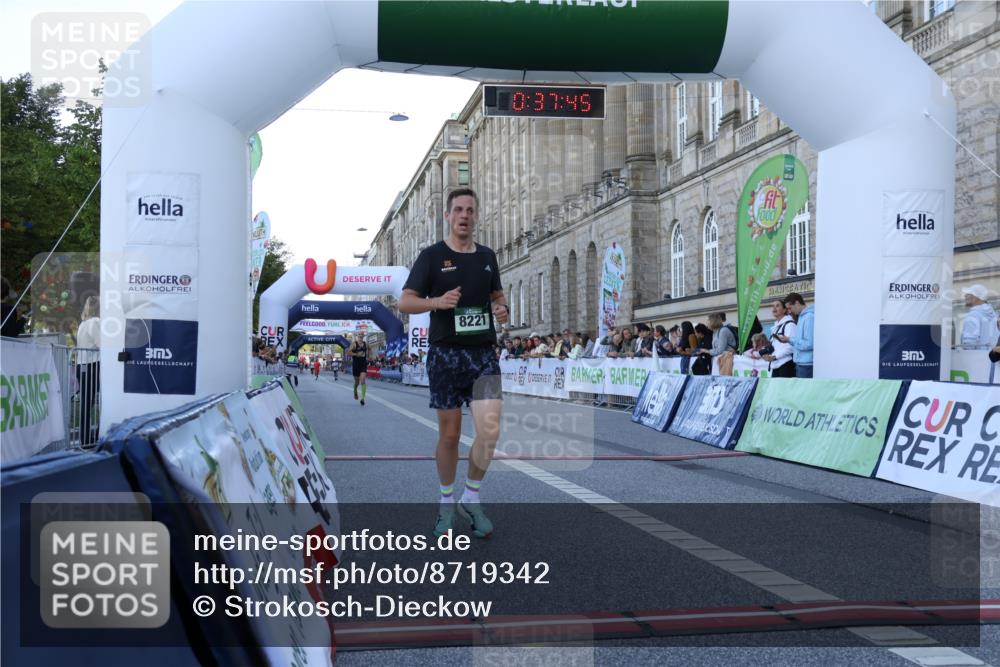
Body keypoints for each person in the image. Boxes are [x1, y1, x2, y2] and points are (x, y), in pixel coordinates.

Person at [398, 187, 508, 539]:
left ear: (476, 216)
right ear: (447, 216)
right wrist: (437, 302)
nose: (464, 216)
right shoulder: (431, 256)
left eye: (470, 210)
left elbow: (498, 295)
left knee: (489, 432)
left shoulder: (488, 256)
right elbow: (405, 302)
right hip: (445, 354)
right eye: (458, 210)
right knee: (450, 435)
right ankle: (446, 503)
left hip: (483, 355)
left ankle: (471, 498)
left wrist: (502, 308)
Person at [75, 295, 101, 446]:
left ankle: (86, 438)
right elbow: (101, 344)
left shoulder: (83, 323)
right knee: (94, 403)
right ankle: (91, 437)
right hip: (92, 365)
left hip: (83, 366)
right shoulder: (95, 322)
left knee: (87, 403)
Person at [777, 292, 814, 378]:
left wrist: (790, 339)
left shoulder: (809, 317)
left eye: (790, 308)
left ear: (797, 303)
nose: (789, 312)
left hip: (806, 364)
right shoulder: (802, 317)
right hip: (802, 362)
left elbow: (809, 344)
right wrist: (789, 339)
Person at [764, 299, 797, 378]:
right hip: (776, 365)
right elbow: (776, 347)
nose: (774, 308)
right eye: (773, 306)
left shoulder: (790, 325)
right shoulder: (776, 327)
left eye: (777, 305)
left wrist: (775, 357)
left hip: (786, 365)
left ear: (784, 310)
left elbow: (792, 347)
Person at [960, 284, 999, 349]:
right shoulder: (994, 315)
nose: (965, 296)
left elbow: (969, 344)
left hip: (975, 357)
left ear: (976, 297)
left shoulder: (973, 315)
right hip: (992, 357)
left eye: (968, 294)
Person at [348, 333, 369, 404]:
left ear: (363, 337)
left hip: (363, 364)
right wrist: (356, 354)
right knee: (357, 382)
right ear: (357, 337)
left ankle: (363, 398)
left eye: (362, 337)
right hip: (356, 365)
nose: (360, 338)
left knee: (363, 381)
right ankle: (355, 391)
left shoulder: (366, 344)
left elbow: (370, 350)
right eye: (359, 337)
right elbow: (349, 352)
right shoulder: (354, 344)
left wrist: (371, 356)